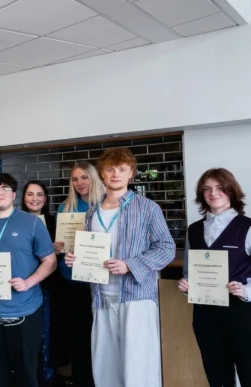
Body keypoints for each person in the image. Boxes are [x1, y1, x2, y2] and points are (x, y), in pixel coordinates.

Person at [65, 148, 175, 387]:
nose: (116, 174)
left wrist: (130, 265)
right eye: (110, 169)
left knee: (138, 367)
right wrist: (77, 259)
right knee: (105, 365)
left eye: (122, 170)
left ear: (131, 174)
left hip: (135, 297)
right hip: (100, 297)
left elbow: (167, 248)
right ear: (102, 175)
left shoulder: (147, 208)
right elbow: (91, 250)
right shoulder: (92, 213)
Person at [0, 173, 57, 387]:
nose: (0, 193)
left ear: (13, 195)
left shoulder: (32, 223)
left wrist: (28, 283)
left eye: (5, 189)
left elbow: (50, 261)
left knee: (25, 373)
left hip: (23, 310)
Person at [178, 168, 251, 387]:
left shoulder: (247, 227)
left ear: (231, 191)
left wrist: (246, 291)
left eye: (220, 188)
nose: (213, 193)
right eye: (207, 189)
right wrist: (186, 286)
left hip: (241, 313)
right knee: (216, 374)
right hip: (205, 314)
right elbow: (189, 271)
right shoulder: (194, 230)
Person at [56, 161, 104, 387]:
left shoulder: (108, 205)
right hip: (73, 281)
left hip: (101, 280)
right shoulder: (65, 208)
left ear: (93, 178)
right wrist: (57, 247)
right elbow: (59, 248)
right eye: (75, 179)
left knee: (102, 335)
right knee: (79, 337)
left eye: (84, 177)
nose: (80, 183)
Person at [21, 180, 64, 385]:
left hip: (46, 285)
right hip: (20, 286)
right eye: (30, 194)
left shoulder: (56, 223)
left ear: (45, 199)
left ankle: (46, 373)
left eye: (39, 194)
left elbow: (64, 257)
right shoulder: (14, 221)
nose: (35, 198)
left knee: (45, 330)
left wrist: (60, 250)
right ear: (23, 198)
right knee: (26, 332)